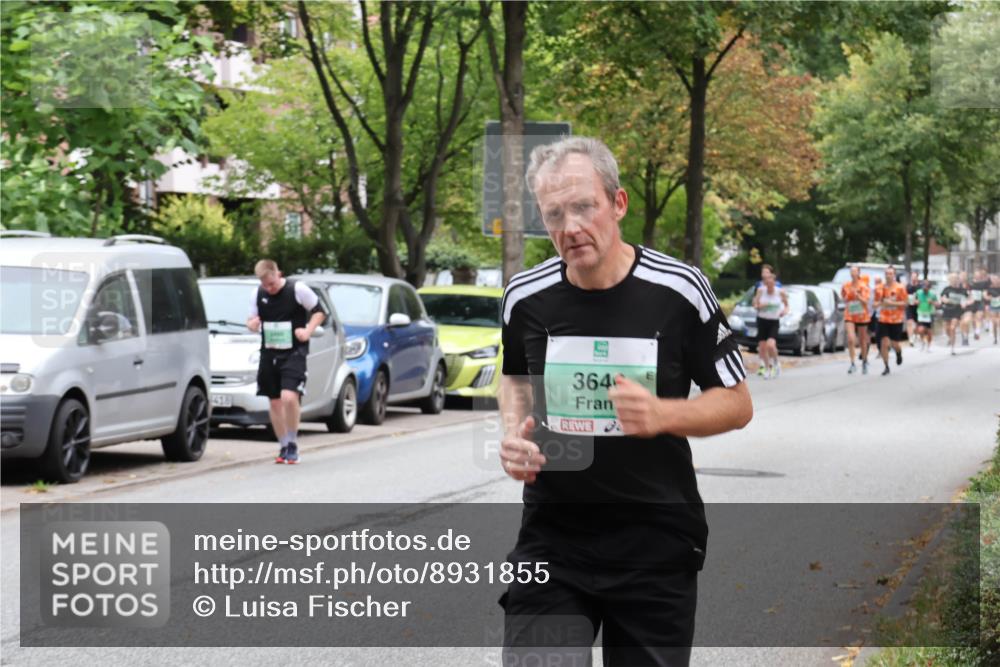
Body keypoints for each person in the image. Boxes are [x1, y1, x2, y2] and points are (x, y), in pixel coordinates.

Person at [498, 137, 753, 666]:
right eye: (554, 214)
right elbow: (515, 379)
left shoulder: (680, 291)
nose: (570, 227)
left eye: (583, 207)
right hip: (553, 539)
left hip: (654, 541)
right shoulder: (524, 297)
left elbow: (736, 403)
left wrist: (663, 414)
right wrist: (512, 434)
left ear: (617, 204)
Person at [246, 259, 326, 464]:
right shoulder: (257, 294)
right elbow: (251, 320)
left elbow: (319, 312)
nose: (269, 289)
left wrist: (307, 331)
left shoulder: (297, 289)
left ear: (278, 274)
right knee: (274, 401)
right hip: (269, 352)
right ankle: (283, 446)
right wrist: (252, 325)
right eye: (265, 285)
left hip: (294, 352)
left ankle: (292, 443)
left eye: (272, 284)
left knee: (289, 397)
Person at [752, 265, 788, 379]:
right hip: (762, 320)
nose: (769, 287)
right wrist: (760, 306)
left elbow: (787, 305)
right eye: (767, 284)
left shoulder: (780, 292)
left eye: (771, 284)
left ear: (774, 283)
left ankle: (776, 363)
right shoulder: (760, 290)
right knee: (762, 347)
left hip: (774, 321)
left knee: (771, 345)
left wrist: (784, 311)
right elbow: (755, 305)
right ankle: (767, 368)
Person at [874, 266, 908, 376]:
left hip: (896, 320)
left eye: (890, 273)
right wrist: (880, 303)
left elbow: (905, 303)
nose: (888, 275)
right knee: (884, 342)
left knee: (894, 344)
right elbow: (874, 304)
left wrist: (891, 303)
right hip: (883, 319)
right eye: (886, 273)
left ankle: (898, 353)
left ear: (894, 275)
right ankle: (886, 366)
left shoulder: (900, 287)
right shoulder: (879, 288)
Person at [841, 267, 872, 375]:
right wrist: (847, 299)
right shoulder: (846, 285)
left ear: (859, 273)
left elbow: (866, 301)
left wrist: (858, 296)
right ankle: (852, 363)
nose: (853, 273)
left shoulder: (864, 286)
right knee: (850, 339)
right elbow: (843, 297)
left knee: (862, 340)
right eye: (851, 271)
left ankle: (864, 361)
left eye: (855, 271)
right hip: (849, 314)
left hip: (862, 315)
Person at [939, 272, 967, 355]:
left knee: (953, 328)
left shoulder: (962, 290)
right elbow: (943, 298)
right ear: (949, 280)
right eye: (952, 279)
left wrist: (964, 303)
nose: (954, 280)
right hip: (947, 310)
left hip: (957, 311)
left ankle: (952, 348)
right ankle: (950, 338)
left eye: (955, 279)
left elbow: (966, 299)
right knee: (947, 329)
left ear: (958, 280)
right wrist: (946, 300)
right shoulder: (946, 289)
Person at [913, 279, 938, 351]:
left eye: (926, 287)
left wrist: (932, 302)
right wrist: (916, 302)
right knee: (920, 330)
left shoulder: (932, 294)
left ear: (929, 287)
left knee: (929, 332)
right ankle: (922, 342)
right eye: (923, 287)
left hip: (929, 314)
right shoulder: (918, 292)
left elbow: (937, 304)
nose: (924, 289)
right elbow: (913, 300)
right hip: (921, 313)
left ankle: (928, 346)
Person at [969, 268, 990, 340]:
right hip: (972, 303)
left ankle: (977, 332)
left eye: (979, 275)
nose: (977, 276)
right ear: (974, 275)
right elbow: (968, 292)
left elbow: (985, 291)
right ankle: (975, 330)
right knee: (973, 319)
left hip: (980, 301)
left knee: (979, 316)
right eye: (976, 275)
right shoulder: (970, 283)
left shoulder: (984, 283)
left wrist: (985, 295)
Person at [958, 270, 974, 346]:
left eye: (964, 276)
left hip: (968, 307)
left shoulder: (970, 286)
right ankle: (963, 337)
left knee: (966, 322)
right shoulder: (957, 286)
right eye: (961, 276)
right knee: (961, 323)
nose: (963, 277)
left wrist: (967, 303)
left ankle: (966, 337)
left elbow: (972, 297)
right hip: (959, 307)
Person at [905, 270, 920, 346]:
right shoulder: (907, 286)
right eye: (912, 277)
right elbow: (904, 295)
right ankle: (910, 339)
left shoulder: (920, 287)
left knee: (917, 324)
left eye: (915, 277)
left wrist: (919, 301)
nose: (913, 278)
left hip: (918, 307)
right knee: (909, 322)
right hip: (909, 307)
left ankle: (915, 335)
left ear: (917, 277)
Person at [988, 273, 1000, 345]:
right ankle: (995, 338)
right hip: (993, 306)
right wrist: (989, 298)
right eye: (993, 279)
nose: (995, 280)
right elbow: (986, 296)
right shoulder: (990, 288)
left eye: (996, 279)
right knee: (994, 323)